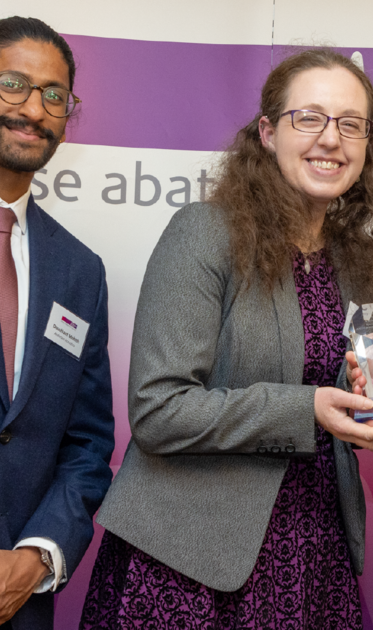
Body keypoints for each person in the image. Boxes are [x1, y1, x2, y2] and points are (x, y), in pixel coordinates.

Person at [80, 49, 373, 630]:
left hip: (314, 550)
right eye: (308, 118)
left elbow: (343, 411)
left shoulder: (358, 260)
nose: (331, 139)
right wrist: (309, 407)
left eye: (350, 124)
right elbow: (159, 410)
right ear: (267, 132)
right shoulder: (205, 232)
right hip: (190, 563)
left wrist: (372, 394)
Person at [0, 16, 115, 630]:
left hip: (20, 604)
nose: (32, 110)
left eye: (53, 96)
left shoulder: (79, 271)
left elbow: (88, 444)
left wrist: (37, 556)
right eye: (13, 84)